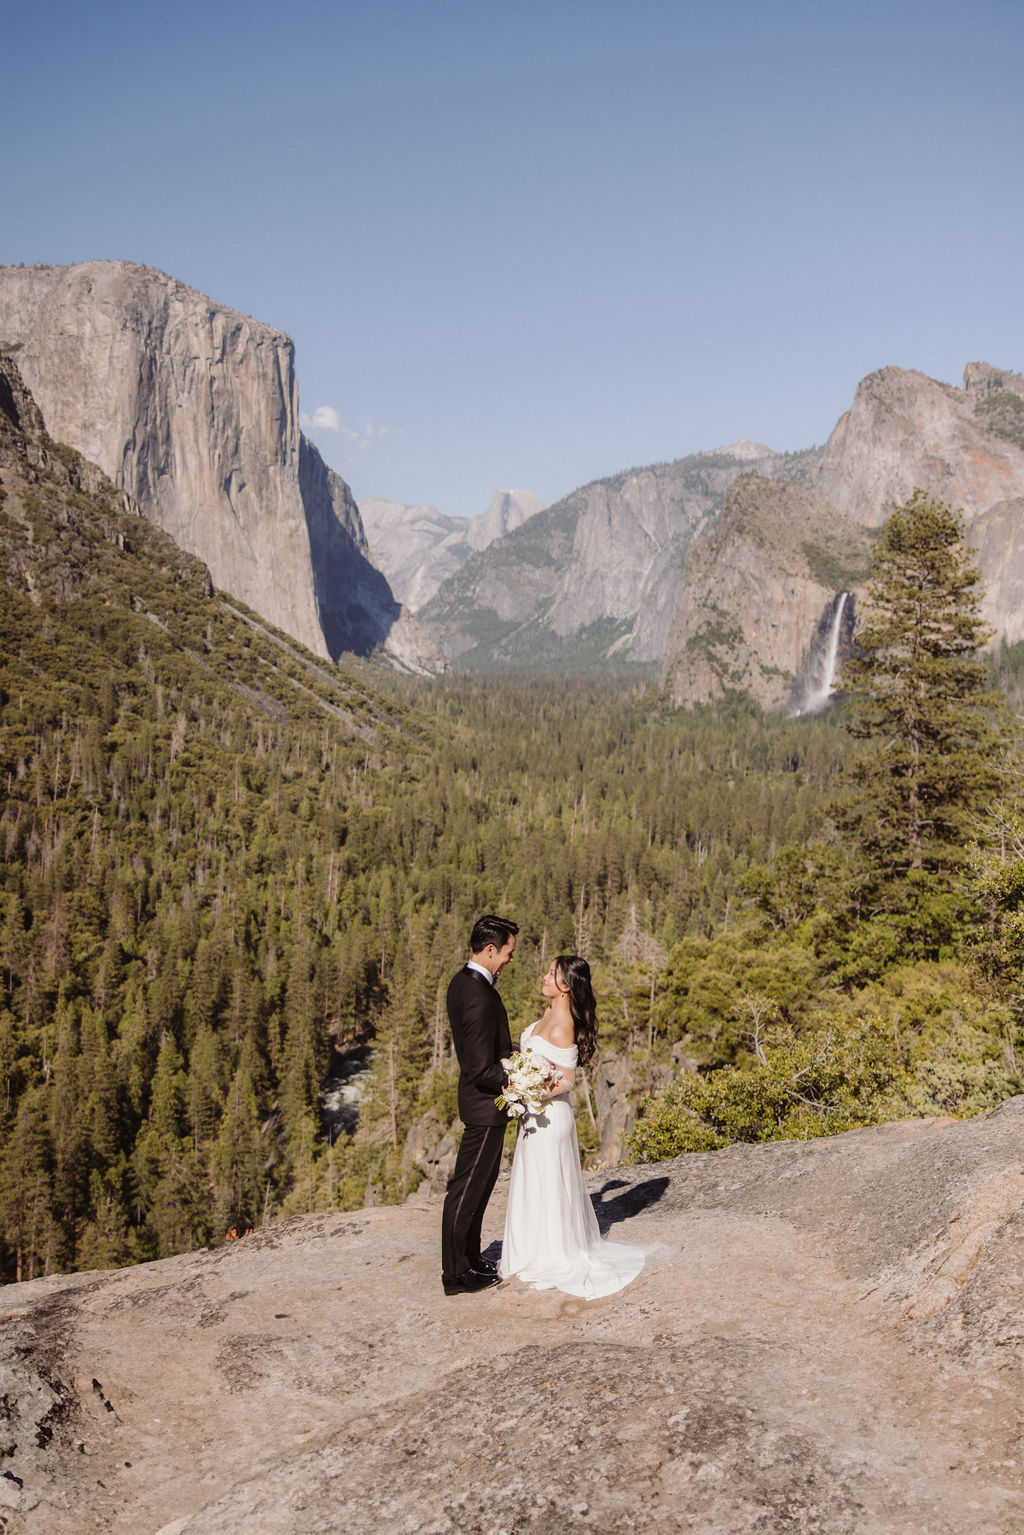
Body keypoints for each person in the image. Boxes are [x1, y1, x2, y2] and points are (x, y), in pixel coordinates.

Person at [500, 954, 668, 1299]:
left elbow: (566, 1081)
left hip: (549, 1117)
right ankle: (530, 1250)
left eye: (551, 974)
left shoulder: (563, 1022)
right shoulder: (549, 1012)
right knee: (534, 1181)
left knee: (547, 1184)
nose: (545, 977)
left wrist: (526, 1090)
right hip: (534, 1116)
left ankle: (550, 1254)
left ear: (565, 987)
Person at [440, 914, 518, 1296]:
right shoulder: (476, 997)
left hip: (484, 1105)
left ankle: (471, 1257)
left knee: (480, 1187)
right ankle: (455, 1274)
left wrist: (516, 1055)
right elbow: (479, 1067)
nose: (509, 959)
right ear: (491, 950)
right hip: (485, 1106)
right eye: (508, 952)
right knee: (467, 1189)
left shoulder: (463, 982)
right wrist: (517, 1078)